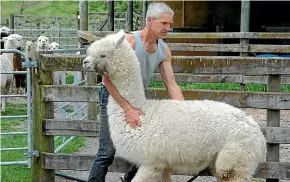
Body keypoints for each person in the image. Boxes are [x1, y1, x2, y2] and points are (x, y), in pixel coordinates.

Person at [88, 2, 184, 182]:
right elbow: (107, 79)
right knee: (107, 151)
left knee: (147, 148)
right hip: (112, 96)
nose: (168, 28)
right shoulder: (129, 42)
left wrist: (184, 112)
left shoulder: (163, 49)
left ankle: (130, 179)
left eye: (170, 24)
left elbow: (171, 84)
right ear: (149, 20)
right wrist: (126, 109)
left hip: (136, 98)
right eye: (164, 23)